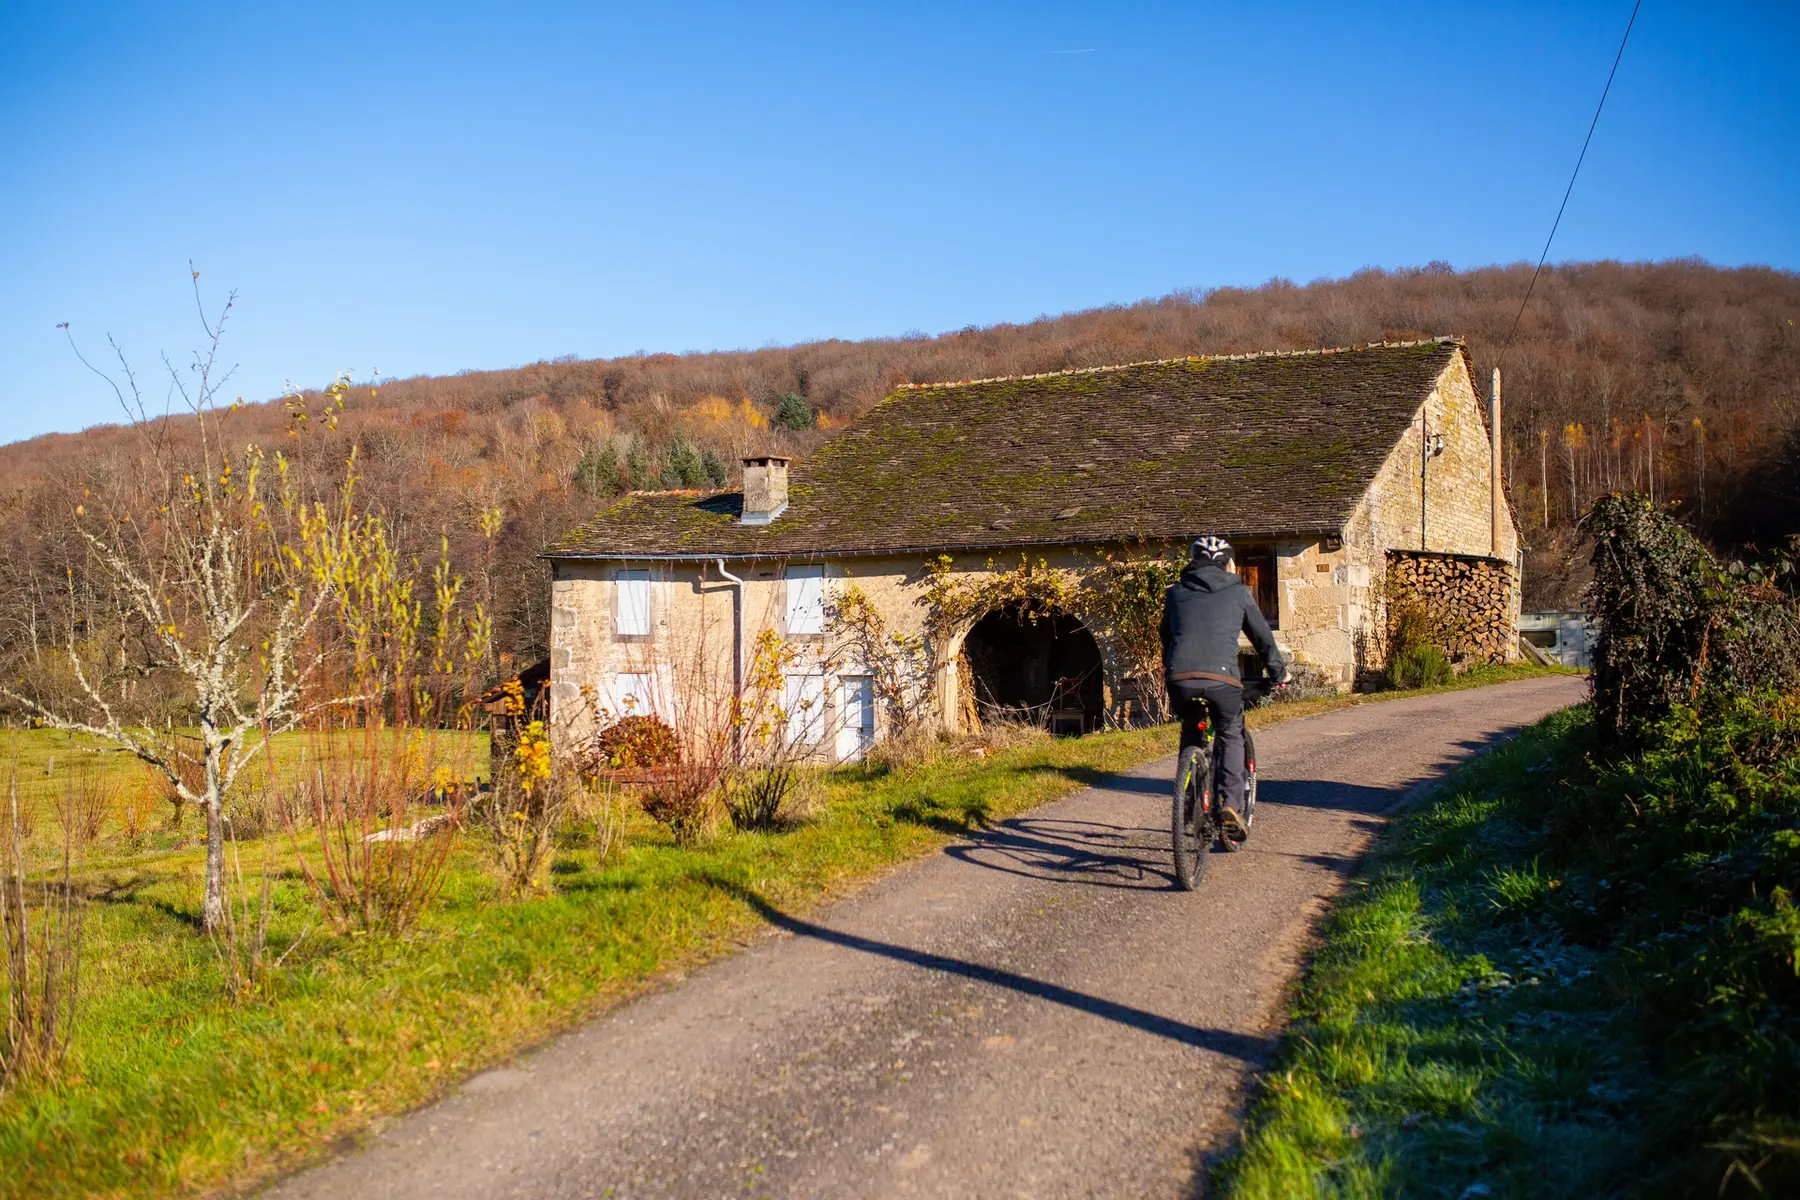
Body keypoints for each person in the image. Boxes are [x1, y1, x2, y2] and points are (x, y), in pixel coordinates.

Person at [1159, 536, 1288, 840]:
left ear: (1191, 562)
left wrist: (1173, 670)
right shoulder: (1239, 591)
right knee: (1230, 732)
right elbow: (1262, 637)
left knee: (1192, 731)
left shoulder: (1175, 593)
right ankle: (1230, 805)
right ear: (1229, 564)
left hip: (1181, 679)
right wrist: (1278, 672)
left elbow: (1166, 637)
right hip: (1222, 680)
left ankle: (1189, 808)